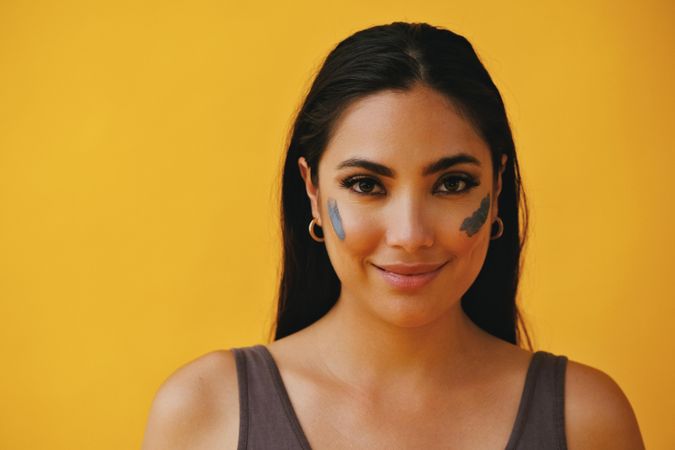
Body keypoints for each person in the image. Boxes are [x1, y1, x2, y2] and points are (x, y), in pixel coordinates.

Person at [142, 22, 645, 449]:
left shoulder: (587, 420)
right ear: (312, 193)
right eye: (365, 185)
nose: (410, 234)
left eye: (452, 184)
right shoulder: (205, 414)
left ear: (497, 190)